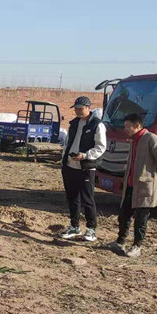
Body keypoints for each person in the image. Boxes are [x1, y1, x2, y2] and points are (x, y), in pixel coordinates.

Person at [108, 113, 157, 258]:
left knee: (141, 219)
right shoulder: (134, 140)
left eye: (127, 126)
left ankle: (137, 246)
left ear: (137, 125)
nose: (125, 129)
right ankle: (120, 241)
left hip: (145, 186)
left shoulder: (151, 139)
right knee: (124, 215)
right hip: (131, 185)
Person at [59, 96, 106, 241]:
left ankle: (91, 229)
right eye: (76, 109)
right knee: (72, 198)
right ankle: (74, 226)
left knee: (87, 199)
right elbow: (67, 143)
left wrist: (85, 156)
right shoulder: (73, 124)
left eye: (81, 108)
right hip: (70, 166)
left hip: (86, 167)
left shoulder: (96, 125)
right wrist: (64, 160)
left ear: (88, 108)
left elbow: (100, 147)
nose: (78, 111)